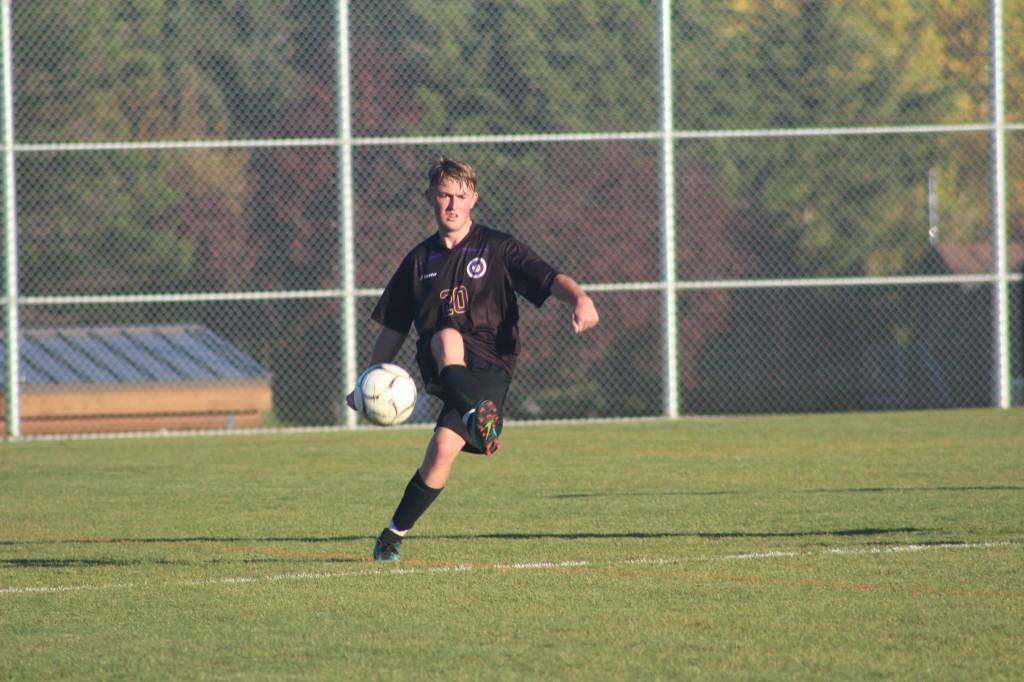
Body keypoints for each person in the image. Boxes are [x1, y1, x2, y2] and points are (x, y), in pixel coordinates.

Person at [347, 156, 599, 562]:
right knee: (447, 335)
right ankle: (474, 416)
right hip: (441, 358)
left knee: (443, 449)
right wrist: (365, 382)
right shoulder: (417, 261)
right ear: (430, 198)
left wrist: (581, 298)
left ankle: (392, 536)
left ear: (473, 200)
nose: (451, 205)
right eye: (444, 196)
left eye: (460, 197)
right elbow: (393, 327)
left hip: (493, 366)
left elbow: (550, 279)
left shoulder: (497, 247)